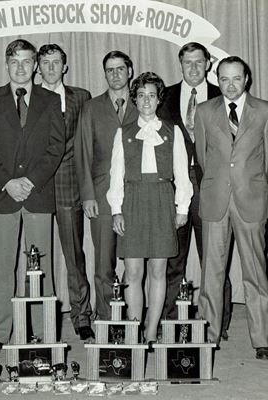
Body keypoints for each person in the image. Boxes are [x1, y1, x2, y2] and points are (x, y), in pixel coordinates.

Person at [0, 39, 65, 353]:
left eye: (27, 61)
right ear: (5, 64)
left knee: (41, 268)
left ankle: (44, 330)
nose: (21, 67)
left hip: (37, 194)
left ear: (35, 65)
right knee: (3, 266)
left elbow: (56, 147)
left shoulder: (51, 100)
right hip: (3, 196)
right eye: (15, 62)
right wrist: (7, 182)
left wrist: (30, 179)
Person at [107, 72, 192, 344]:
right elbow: (115, 174)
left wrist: (182, 208)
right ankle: (133, 330)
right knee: (133, 272)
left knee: (158, 271)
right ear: (135, 99)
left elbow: (182, 173)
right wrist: (116, 209)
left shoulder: (173, 131)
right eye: (141, 95)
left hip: (161, 201)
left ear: (158, 99)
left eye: (151, 95)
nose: (146, 101)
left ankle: (152, 331)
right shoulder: (124, 133)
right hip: (132, 201)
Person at [195, 56, 268, 360]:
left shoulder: (264, 111)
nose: (230, 85)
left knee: (256, 274)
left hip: (251, 201)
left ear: (246, 79)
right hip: (215, 201)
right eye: (224, 79)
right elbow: (202, 155)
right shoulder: (204, 111)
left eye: (236, 78)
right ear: (218, 80)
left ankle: (262, 338)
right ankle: (209, 336)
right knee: (211, 273)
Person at [158, 42, 232, 339]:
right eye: (187, 62)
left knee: (214, 257)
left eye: (198, 62)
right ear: (180, 64)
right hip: (175, 185)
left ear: (208, 64)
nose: (193, 68)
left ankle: (218, 321)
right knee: (173, 254)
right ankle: (171, 318)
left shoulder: (220, 95)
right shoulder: (166, 96)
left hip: (210, 184)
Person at [37, 43, 94, 340]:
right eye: (44, 63)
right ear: (37, 66)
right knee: (34, 255)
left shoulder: (81, 97)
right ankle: (37, 319)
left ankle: (81, 314)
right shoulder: (25, 97)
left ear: (65, 65)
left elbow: (90, 142)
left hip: (69, 182)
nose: (50, 68)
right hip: (34, 185)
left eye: (55, 62)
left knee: (74, 254)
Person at [75, 50, 138, 320]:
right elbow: (82, 153)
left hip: (137, 192)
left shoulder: (144, 102)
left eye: (120, 69)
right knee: (103, 261)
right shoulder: (91, 108)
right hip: (101, 193)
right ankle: (106, 318)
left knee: (136, 261)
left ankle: (133, 315)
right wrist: (87, 195)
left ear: (130, 71)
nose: (115, 74)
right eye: (110, 70)